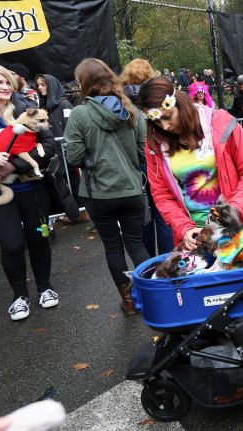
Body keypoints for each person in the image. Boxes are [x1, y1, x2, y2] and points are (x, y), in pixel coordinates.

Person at [138, 76, 243, 250]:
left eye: (168, 116)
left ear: (179, 105)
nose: (164, 126)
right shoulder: (155, 144)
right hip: (198, 240)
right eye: (156, 121)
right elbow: (162, 194)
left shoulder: (220, 122)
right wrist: (185, 228)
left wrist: (233, 210)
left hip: (240, 229)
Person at [63, 58, 150, 316]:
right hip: (132, 189)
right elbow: (142, 152)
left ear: (84, 83)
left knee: (113, 246)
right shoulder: (131, 110)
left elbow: (74, 157)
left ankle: (128, 302)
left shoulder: (79, 114)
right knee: (136, 245)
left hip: (97, 193)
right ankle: (153, 295)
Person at [0, 63, 58, 320]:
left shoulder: (27, 108)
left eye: (7, 81)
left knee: (39, 238)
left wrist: (15, 164)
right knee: (11, 244)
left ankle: (45, 288)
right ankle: (19, 296)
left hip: (33, 189)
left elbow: (48, 145)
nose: (5, 87)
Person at [120, 58, 175, 257]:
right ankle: (169, 260)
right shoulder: (156, 98)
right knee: (163, 212)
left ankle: (148, 263)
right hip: (158, 161)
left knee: (143, 216)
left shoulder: (120, 102)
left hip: (133, 167)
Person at [35, 73, 82, 225]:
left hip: (66, 152)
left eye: (43, 84)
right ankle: (73, 211)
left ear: (51, 85)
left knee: (73, 180)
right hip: (54, 153)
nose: (40, 88)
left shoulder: (64, 105)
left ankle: (82, 212)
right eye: (38, 85)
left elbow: (71, 127)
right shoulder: (44, 107)